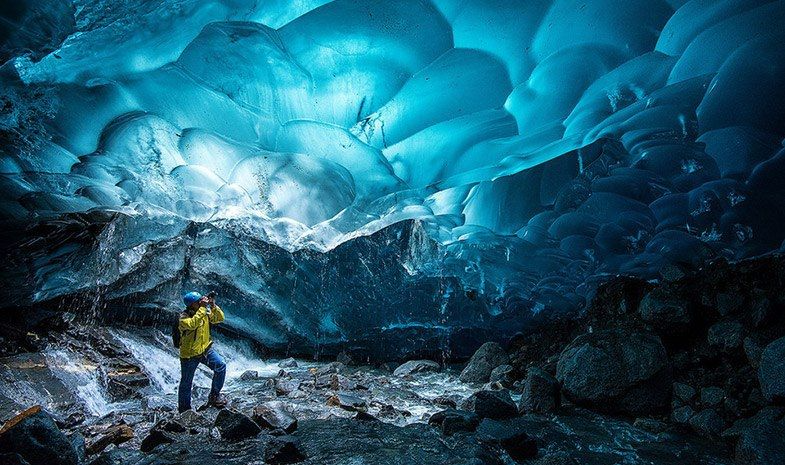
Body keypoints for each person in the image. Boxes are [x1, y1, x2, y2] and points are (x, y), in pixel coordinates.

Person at [178, 290, 228, 412]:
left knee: (221, 366)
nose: (201, 302)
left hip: (205, 350)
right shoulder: (183, 317)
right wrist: (202, 308)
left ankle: (214, 396)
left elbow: (219, 318)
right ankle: (184, 410)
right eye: (198, 301)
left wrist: (213, 305)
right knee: (186, 382)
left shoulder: (204, 312)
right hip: (189, 355)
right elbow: (192, 324)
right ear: (192, 304)